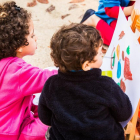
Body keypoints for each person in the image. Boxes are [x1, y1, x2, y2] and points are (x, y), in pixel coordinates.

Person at [38, 23, 132, 140]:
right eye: (99, 53)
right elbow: (125, 113)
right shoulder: (106, 85)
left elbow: (45, 117)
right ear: (86, 65)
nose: (103, 53)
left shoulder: (51, 84)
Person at [0, 1, 57, 140]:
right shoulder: (18, 70)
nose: (36, 38)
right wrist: (74, 68)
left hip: (6, 126)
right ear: (19, 46)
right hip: (12, 133)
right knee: (56, 121)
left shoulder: (5, 63)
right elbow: (48, 78)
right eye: (32, 36)